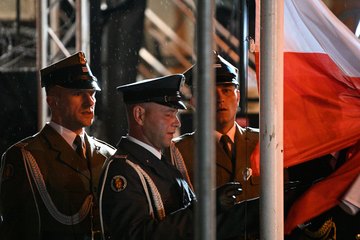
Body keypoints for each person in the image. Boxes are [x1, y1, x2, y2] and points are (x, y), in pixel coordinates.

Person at [98, 74, 260, 240]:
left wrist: (259, 209)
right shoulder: (124, 170)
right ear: (139, 115)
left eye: (175, 113)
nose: (177, 122)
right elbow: (137, 235)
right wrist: (204, 209)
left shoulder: (160, 163)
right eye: (169, 114)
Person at [0, 52, 116, 240]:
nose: (90, 102)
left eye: (92, 93)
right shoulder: (26, 157)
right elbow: (17, 231)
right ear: (53, 101)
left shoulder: (108, 155)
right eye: (78, 94)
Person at [171, 52, 260, 202]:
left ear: (237, 97)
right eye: (211, 93)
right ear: (194, 102)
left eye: (226, 91)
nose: (220, 99)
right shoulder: (178, 153)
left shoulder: (263, 144)